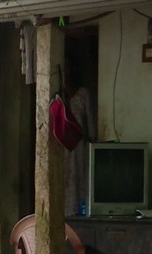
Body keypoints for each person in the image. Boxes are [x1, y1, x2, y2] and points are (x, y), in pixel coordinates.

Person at [63, 52, 96, 217]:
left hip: (79, 150)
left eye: (68, 67)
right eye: (63, 67)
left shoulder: (83, 94)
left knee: (79, 185)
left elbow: (91, 129)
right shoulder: (54, 93)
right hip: (60, 149)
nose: (66, 72)